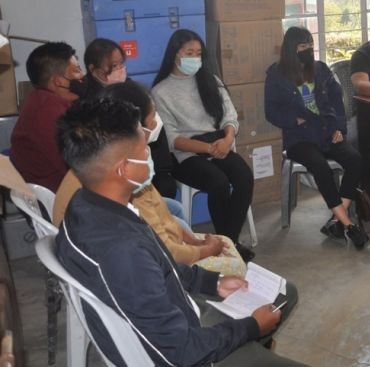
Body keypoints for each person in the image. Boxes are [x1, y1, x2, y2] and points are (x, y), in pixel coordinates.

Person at [54, 98, 304, 366]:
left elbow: (160, 267)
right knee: (276, 304)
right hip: (190, 352)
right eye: (144, 149)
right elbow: (183, 352)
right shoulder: (121, 250)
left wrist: (212, 283)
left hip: (178, 316)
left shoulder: (87, 204)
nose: (150, 153)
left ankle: (254, 347)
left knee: (286, 293)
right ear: (124, 169)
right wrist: (252, 327)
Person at [52, 81, 247, 277]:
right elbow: (165, 253)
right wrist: (206, 251)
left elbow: (162, 215)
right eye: (153, 117)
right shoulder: (123, 183)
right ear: (133, 124)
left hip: (152, 251)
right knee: (236, 265)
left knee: (179, 214)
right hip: (149, 263)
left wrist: (195, 242)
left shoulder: (102, 160)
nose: (157, 123)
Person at [151, 29, 256, 262]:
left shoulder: (211, 80)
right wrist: (208, 149)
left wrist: (227, 140)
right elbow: (172, 138)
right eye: (189, 52)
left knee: (243, 177)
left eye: (198, 53)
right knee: (217, 182)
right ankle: (229, 245)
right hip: (186, 154)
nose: (195, 58)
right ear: (175, 54)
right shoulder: (161, 91)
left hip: (220, 142)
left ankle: (227, 242)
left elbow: (230, 116)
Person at [265, 27, 369, 249]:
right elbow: (271, 111)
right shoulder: (276, 74)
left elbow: (337, 100)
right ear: (291, 49)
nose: (308, 50)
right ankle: (348, 224)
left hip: (326, 131)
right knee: (321, 166)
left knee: (355, 160)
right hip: (299, 138)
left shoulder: (320, 69)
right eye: (303, 46)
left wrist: (340, 127)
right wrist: (294, 119)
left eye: (310, 45)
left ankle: (336, 221)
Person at [84, 37, 178, 199]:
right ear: (94, 70)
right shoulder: (89, 102)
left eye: (122, 63)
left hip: (150, 159)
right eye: (114, 66)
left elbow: (155, 123)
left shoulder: (131, 89)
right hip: (119, 169)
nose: (120, 69)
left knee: (166, 187)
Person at [10, 42, 86, 192]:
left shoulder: (40, 99)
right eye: (76, 70)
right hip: (61, 198)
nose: (82, 76)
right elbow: (78, 164)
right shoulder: (49, 111)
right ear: (58, 80)